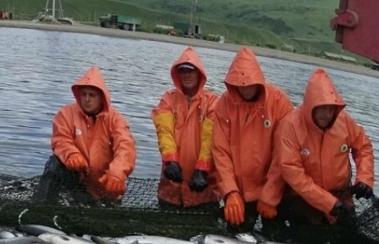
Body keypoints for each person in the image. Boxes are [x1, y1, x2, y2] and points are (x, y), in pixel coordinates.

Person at [261, 67, 374, 244]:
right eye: (321, 109)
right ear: (310, 105)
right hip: (303, 202)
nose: (326, 114)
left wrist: (365, 178)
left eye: (330, 109)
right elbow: (292, 173)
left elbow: (363, 146)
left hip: (341, 198)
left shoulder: (344, 122)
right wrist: (328, 203)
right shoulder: (290, 126)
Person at [211, 47, 294, 229]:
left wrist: (271, 195)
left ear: (258, 79)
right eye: (239, 83)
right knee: (235, 236)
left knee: (277, 237)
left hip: (275, 191)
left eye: (249, 82)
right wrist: (230, 192)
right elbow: (220, 151)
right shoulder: (224, 104)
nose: (245, 87)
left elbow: (285, 153)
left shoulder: (280, 103)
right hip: (240, 193)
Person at [35, 66, 136, 202]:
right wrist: (71, 154)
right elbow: (60, 140)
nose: (87, 99)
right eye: (84, 94)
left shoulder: (116, 119)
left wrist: (117, 173)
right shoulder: (66, 113)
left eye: (92, 95)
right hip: (75, 182)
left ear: (101, 97)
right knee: (54, 162)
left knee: (114, 186)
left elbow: (126, 147)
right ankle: (43, 208)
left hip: (105, 185)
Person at [151, 48, 219, 209]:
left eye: (191, 70)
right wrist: (170, 160)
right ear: (177, 74)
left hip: (203, 190)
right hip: (171, 189)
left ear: (199, 73)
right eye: (183, 71)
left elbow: (210, 139)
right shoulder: (168, 99)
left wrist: (202, 168)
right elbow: (164, 132)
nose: (187, 75)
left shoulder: (213, 102)